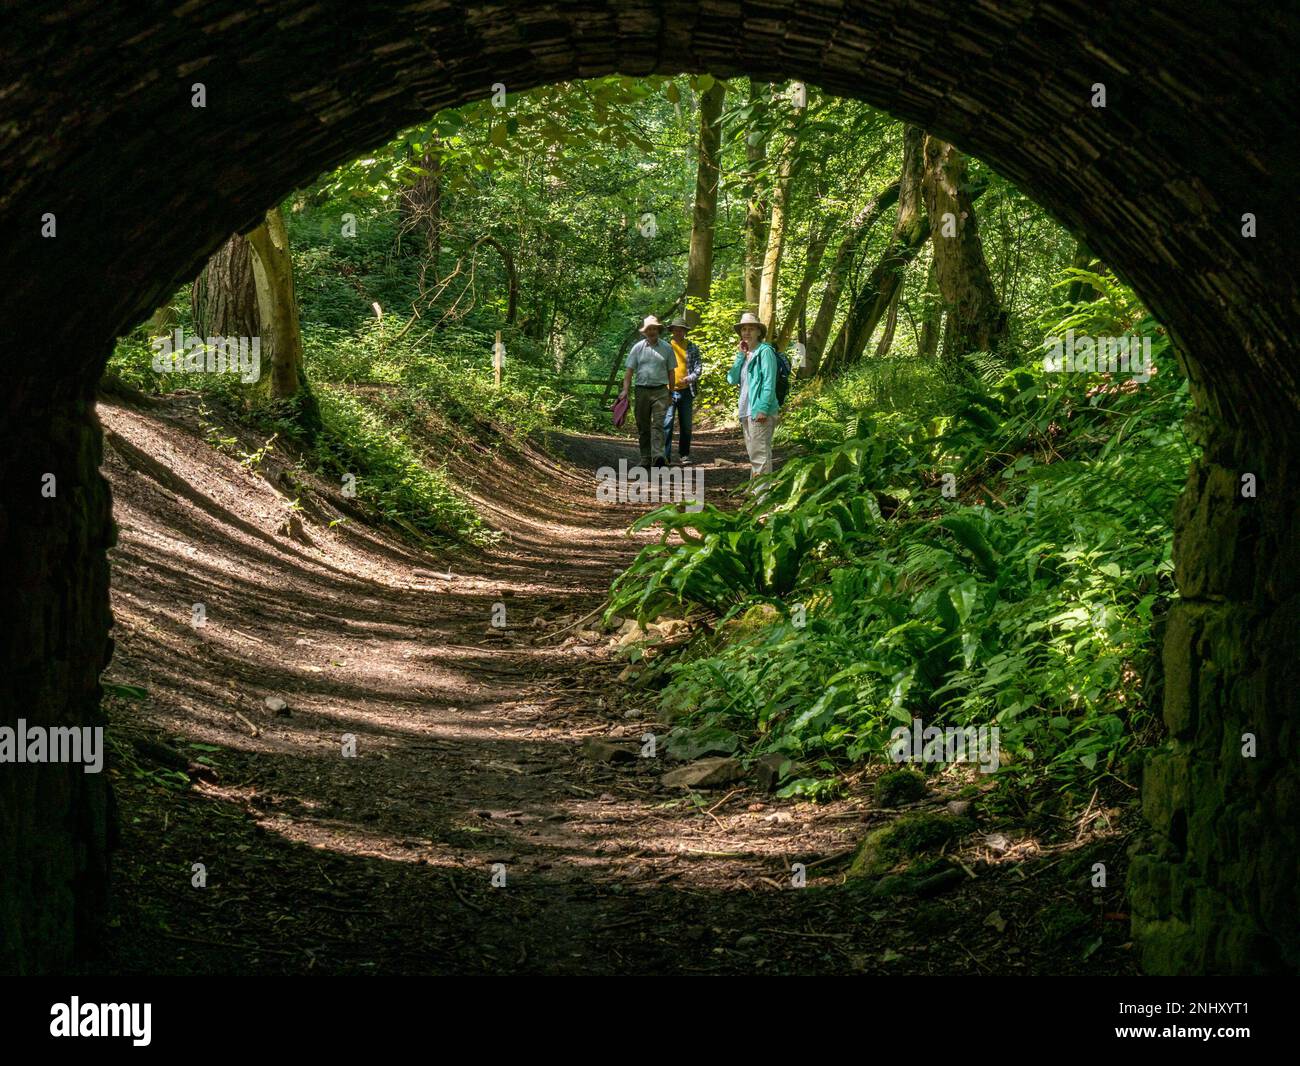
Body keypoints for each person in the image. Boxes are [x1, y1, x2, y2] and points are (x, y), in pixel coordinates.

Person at [726, 311, 780, 485]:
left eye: (751, 329)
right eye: (744, 329)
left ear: (759, 332)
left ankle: (762, 497)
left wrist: (763, 408)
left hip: (760, 410)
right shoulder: (745, 354)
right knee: (756, 454)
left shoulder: (765, 352)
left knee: (760, 454)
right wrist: (740, 356)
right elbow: (731, 379)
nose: (746, 332)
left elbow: (769, 382)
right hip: (746, 411)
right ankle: (755, 491)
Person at [618, 314, 675, 469]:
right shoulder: (637, 348)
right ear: (644, 331)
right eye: (649, 329)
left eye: (654, 328)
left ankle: (658, 457)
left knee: (658, 424)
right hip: (641, 390)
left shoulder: (667, 348)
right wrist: (625, 390)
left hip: (661, 391)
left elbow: (671, 372)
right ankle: (645, 458)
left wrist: (671, 392)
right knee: (643, 426)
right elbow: (629, 371)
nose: (652, 331)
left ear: (658, 330)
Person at [662, 316, 703, 465]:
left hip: (687, 391)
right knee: (667, 424)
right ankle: (665, 456)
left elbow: (698, 367)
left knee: (686, 426)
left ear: (685, 331)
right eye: (676, 330)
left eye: (681, 330)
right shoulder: (665, 346)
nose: (678, 332)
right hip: (668, 391)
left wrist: (691, 377)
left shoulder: (692, 347)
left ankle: (684, 455)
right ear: (672, 331)